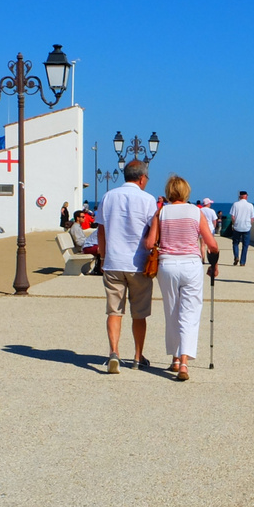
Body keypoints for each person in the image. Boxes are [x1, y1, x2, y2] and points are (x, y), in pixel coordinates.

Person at [142, 174, 220, 381]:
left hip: (167, 266)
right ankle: (184, 363)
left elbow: (150, 244)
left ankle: (175, 358)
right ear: (186, 192)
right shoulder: (197, 212)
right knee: (190, 314)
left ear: (169, 192)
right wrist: (214, 265)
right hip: (191, 266)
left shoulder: (162, 212)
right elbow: (212, 245)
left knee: (172, 312)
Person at [95, 159, 158, 374]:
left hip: (113, 262)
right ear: (141, 178)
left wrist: (103, 258)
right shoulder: (148, 200)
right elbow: (153, 232)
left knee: (114, 311)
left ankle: (114, 352)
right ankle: (138, 357)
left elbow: (101, 231)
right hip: (139, 264)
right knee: (139, 313)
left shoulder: (108, 196)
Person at [228, 190, 254, 266]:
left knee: (235, 243)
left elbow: (232, 216)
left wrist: (234, 224)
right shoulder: (250, 205)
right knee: (245, 245)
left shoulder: (235, 204)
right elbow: (252, 218)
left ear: (240, 196)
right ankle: (242, 262)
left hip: (237, 227)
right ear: (246, 196)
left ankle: (236, 256)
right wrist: (250, 225)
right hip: (247, 227)